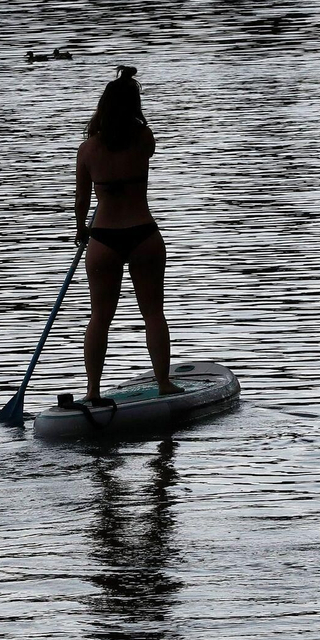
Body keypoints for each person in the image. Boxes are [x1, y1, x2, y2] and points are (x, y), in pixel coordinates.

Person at [74, 66, 182, 404]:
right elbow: (141, 144)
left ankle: (92, 390)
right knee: (153, 313)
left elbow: (81, 201)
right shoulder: (144, 139)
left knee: (99, 317)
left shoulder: (87, 150)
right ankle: (163, 382)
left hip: (102, 237)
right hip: (143, 235)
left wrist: (81, 231)